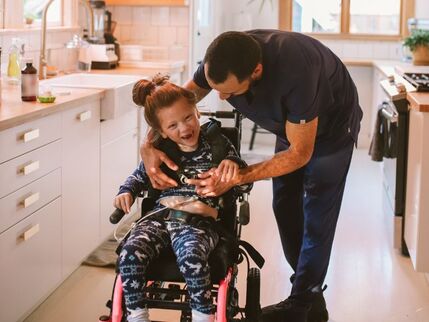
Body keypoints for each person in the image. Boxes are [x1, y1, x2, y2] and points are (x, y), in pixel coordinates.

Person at [140, 30, 363, 322]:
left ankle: (300, 306)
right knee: (284, 204)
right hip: (292, 126)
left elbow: (299, 153)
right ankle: (311, 297)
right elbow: (171, 106)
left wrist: (238, 176)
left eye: (229, 93)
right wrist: (149, 143)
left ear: (256, 72)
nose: (220, 96)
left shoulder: (297, 72)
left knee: (317, 216)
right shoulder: (222, 58)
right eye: (215, 87)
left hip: (332, 130)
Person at [114, 74, 247, 322]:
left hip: (198, 222)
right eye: (172, 126)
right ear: (160, 132)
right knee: (130, 252)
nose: (184, 128)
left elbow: (242, 172)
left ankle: (202, 315)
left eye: (187, 118)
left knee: (192, 256)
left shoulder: (217, 144)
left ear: (196, 111)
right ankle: (137, 315)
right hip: (159, 217)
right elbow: (138, 175)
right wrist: (126, 191)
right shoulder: (162, 152)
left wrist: (231, 163)